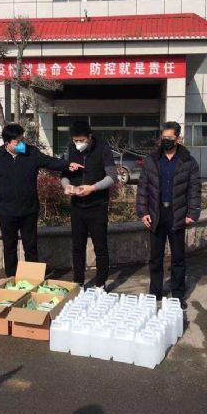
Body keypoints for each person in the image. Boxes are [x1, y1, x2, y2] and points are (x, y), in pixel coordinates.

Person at [0, 123, 82, 277]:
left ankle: (32, 279)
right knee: (9, 247)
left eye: (22, 140)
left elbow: (49, 161)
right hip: (6, 211)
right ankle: (11, 278)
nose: (21, 144)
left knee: (30, 247)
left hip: (29, 209)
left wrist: (67, 165)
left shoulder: (31, 152)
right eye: (17, 142)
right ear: (7, 143)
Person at [136, 121, 201, 309]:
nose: (166, 141)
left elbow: (194, 189)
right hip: (156, 214)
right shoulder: (152, 160)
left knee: (178, 258)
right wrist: (143, 211)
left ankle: (178, 294)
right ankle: (155, 293)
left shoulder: (188, 161)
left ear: (178, 139)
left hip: (177, 214)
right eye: (163, 137)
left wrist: (192, 212)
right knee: (155, 257)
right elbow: (143, 187)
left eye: (169, 138)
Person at [61, 120, 118, 290]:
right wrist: (67, 186)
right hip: (77, 206)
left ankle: (100, 283)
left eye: (81, 140)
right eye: (75, 140)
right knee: (78, 246)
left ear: (89, 137)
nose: (78, 144)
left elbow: (112, 177)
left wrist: (92, 188)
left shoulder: (103, 149)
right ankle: (78, 282)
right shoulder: (70, 149)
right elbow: (64, 174)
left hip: (97, 205)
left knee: (100, 246)